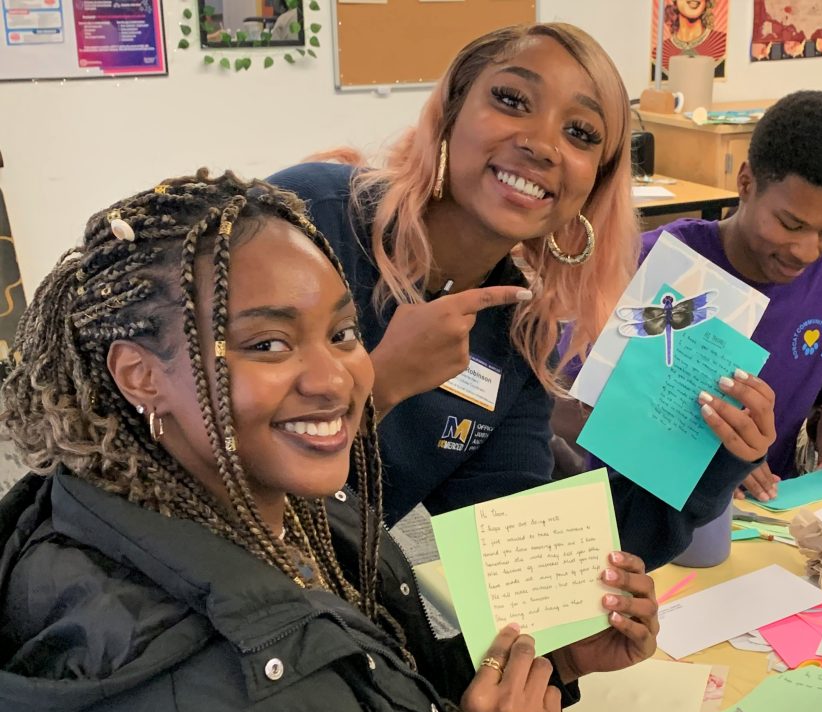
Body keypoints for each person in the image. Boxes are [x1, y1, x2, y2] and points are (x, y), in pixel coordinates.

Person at [0, 171, 676, 712]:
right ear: (140, 374)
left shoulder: (274, 511)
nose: (338, 379)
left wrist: (553, 663)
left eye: (344, 332)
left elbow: (363, 688)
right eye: (268, 344)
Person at [270, 23, 775, 568]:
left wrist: (702, 457)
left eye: (581, 133)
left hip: (316, 619)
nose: (540, 145)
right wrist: (380, 383)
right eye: (512, 100)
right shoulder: (308, 221)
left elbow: (530, 565)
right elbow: (194, 449)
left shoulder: (515, 341)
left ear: (593, 185)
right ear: (451, 112)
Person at [639, 90, 822, 503]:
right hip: (647, 510)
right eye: (791, 225)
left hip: (765, 510)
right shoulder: (659, 263)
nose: (807, 251)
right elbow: (568, 416)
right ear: (746, 183)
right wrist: (708, 461)